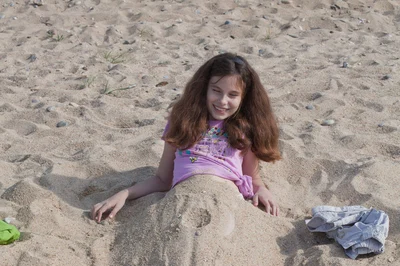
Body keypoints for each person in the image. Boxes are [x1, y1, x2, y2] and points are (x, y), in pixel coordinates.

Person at [91, 53, 281, 223]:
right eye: (216, 90)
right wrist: (125, 193)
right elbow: (162, 179)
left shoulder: (245, 130)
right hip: (180, 202)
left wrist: (262, 190)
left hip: (225, 202)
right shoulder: (182, 123)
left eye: (233, 95)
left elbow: (253, 179)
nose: (223, 101)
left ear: (243, 97)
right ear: (204, 88)